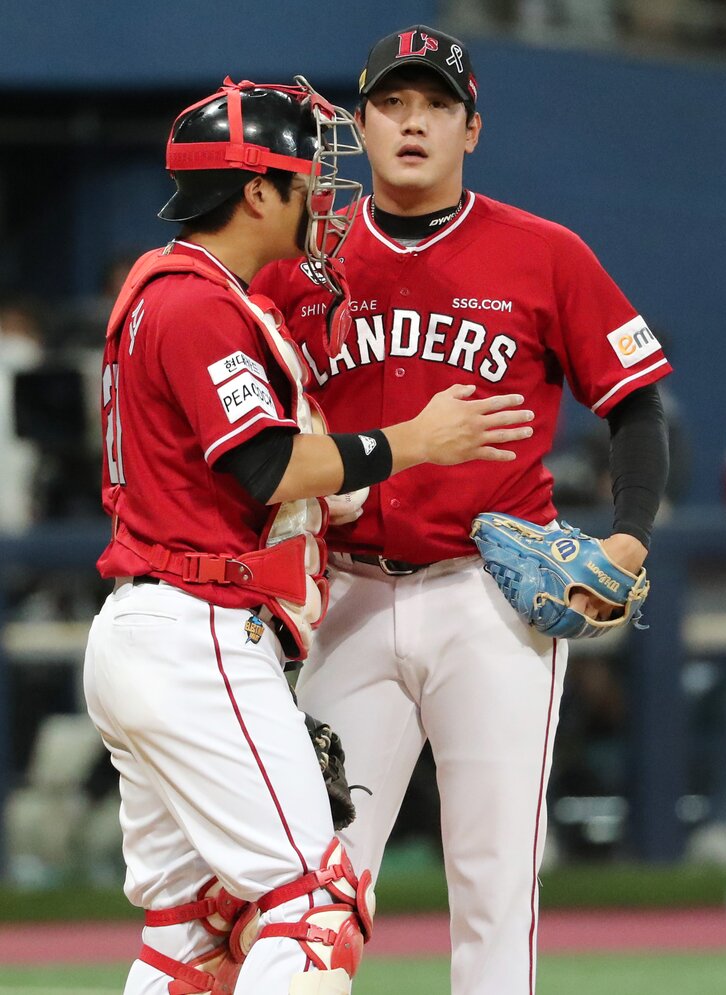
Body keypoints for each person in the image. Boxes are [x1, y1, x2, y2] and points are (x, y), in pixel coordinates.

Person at [86, 77, 534, 995]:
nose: (322, 198)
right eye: (303, 180)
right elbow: (270, 467)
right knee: (313, 907)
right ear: (257, 192)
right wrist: (414, 442)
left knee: (190, 934)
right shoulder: (195, 302)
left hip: (159, 627)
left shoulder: (189, 291)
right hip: (199, 630)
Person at [251, 25, 672, 993]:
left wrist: (627, 531)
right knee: (314, 878)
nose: (411, 122)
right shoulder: (299, 263)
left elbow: (633, 401)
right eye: (391, 104)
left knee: (492, 889)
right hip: (341, 596)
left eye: (433, 105)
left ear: (469, 128)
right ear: (358, 125)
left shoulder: (543, 253)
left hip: (490, 600)